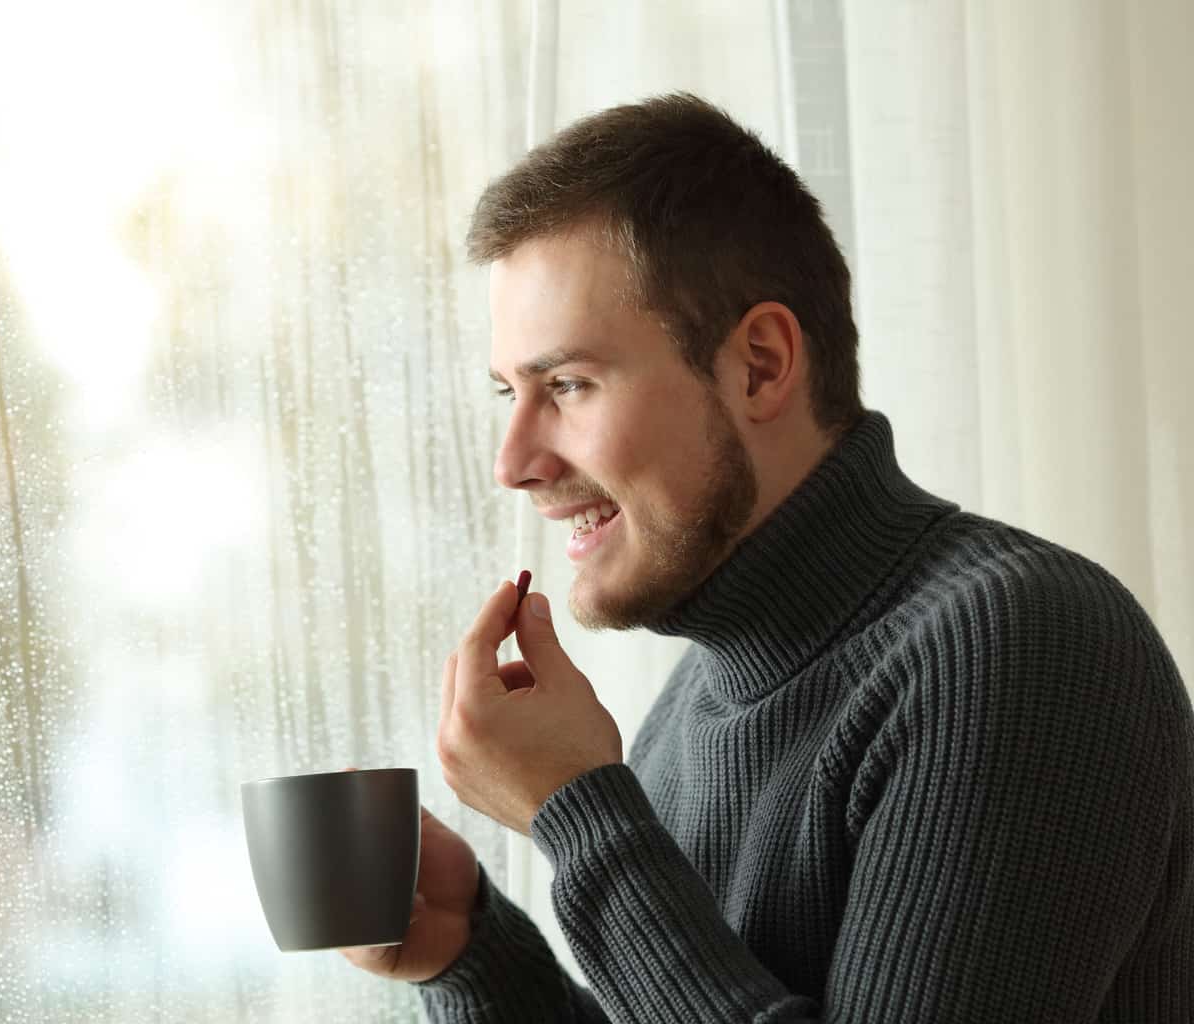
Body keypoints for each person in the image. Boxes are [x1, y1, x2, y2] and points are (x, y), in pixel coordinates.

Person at [340, 92, 1194, 1021]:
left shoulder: (1020, 645)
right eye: (507, 392)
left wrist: (582, 816)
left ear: (760, 365)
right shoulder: (692, 708)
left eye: (569, 384)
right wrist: (471, 955)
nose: (514, 463)